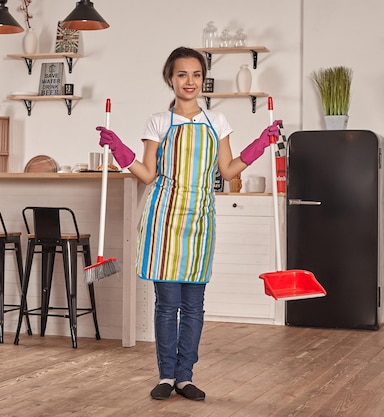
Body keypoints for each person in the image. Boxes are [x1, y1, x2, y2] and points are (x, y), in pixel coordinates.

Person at [96, 46, 281, 401]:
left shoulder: (218, 122)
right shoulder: (159, 122)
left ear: (203, 79)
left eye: (196, 74)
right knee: (167, 304)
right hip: (164, 220)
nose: (190, 81)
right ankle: (166, 376)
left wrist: (260, 144)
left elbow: (227, 171)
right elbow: (148, 174)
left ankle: (185, 376)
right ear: (171, 79)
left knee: (194, 305)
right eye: (182, 74)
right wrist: (120, 149)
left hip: (199, 221)